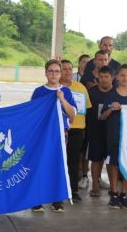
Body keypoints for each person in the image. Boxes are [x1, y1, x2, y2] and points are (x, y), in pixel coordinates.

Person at [31, 59, 77, 213]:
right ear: (45, 73)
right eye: (50, 71)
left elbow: (72, 116)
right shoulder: (39, 92)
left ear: (61, 73)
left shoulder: (66, 92)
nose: (54, 74)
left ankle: (57, 200)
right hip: (42, 136)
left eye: (57, 71)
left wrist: (62, 99)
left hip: (60, 135)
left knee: (58, 165)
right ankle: (37, 199)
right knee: (41, 165)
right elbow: (31, 114)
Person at [99, 64, 127, 209]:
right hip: (115, 136)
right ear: (117, 77)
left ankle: (124, 194)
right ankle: (114, 193)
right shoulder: (111, 94)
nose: (125, 78)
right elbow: (102, 116)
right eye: (122, 75)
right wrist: (110, 108)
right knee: (115, 164)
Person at [60, 60, 92, 202]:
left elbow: (87, 109)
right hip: (59, 129)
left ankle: (73, 190)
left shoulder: (81, 87)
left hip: (77, 130)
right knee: (58, 160)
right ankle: (57, 190)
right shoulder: (56, 88)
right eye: (64, 69)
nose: (67, 71)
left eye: (69, 69)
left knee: (73, 161)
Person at [86, 66, 114, 197]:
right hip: (95, 132)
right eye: (101, 76)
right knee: (95, 160)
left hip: (112, 133)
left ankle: (113, 188)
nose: (103, 79)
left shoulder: (117, 93)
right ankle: (95, 187)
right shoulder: (91, 92)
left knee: (110, 160)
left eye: (107, 76)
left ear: (112, 78)